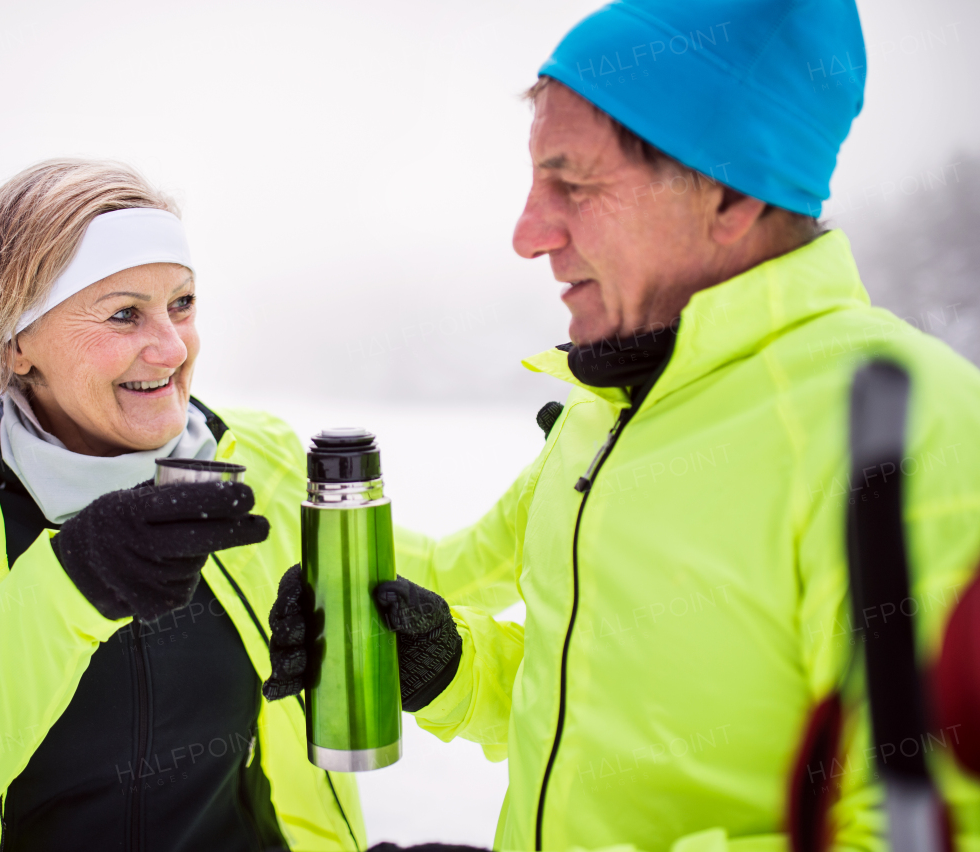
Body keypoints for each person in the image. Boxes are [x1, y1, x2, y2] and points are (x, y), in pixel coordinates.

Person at [264, 1, 980, 850]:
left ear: (728, 192)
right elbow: (590, 712)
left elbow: (922, 833)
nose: (528, 234)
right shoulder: (608, 407)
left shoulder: (898, 427)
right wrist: (451, 668)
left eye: (574, 183)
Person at [0, 158, 518, 852]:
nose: (171, 348)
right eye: (123, 314)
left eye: (183, 304)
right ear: (17, 342)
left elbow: (434, 579)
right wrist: (70, 582)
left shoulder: (248, 453)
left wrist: (579, 465)